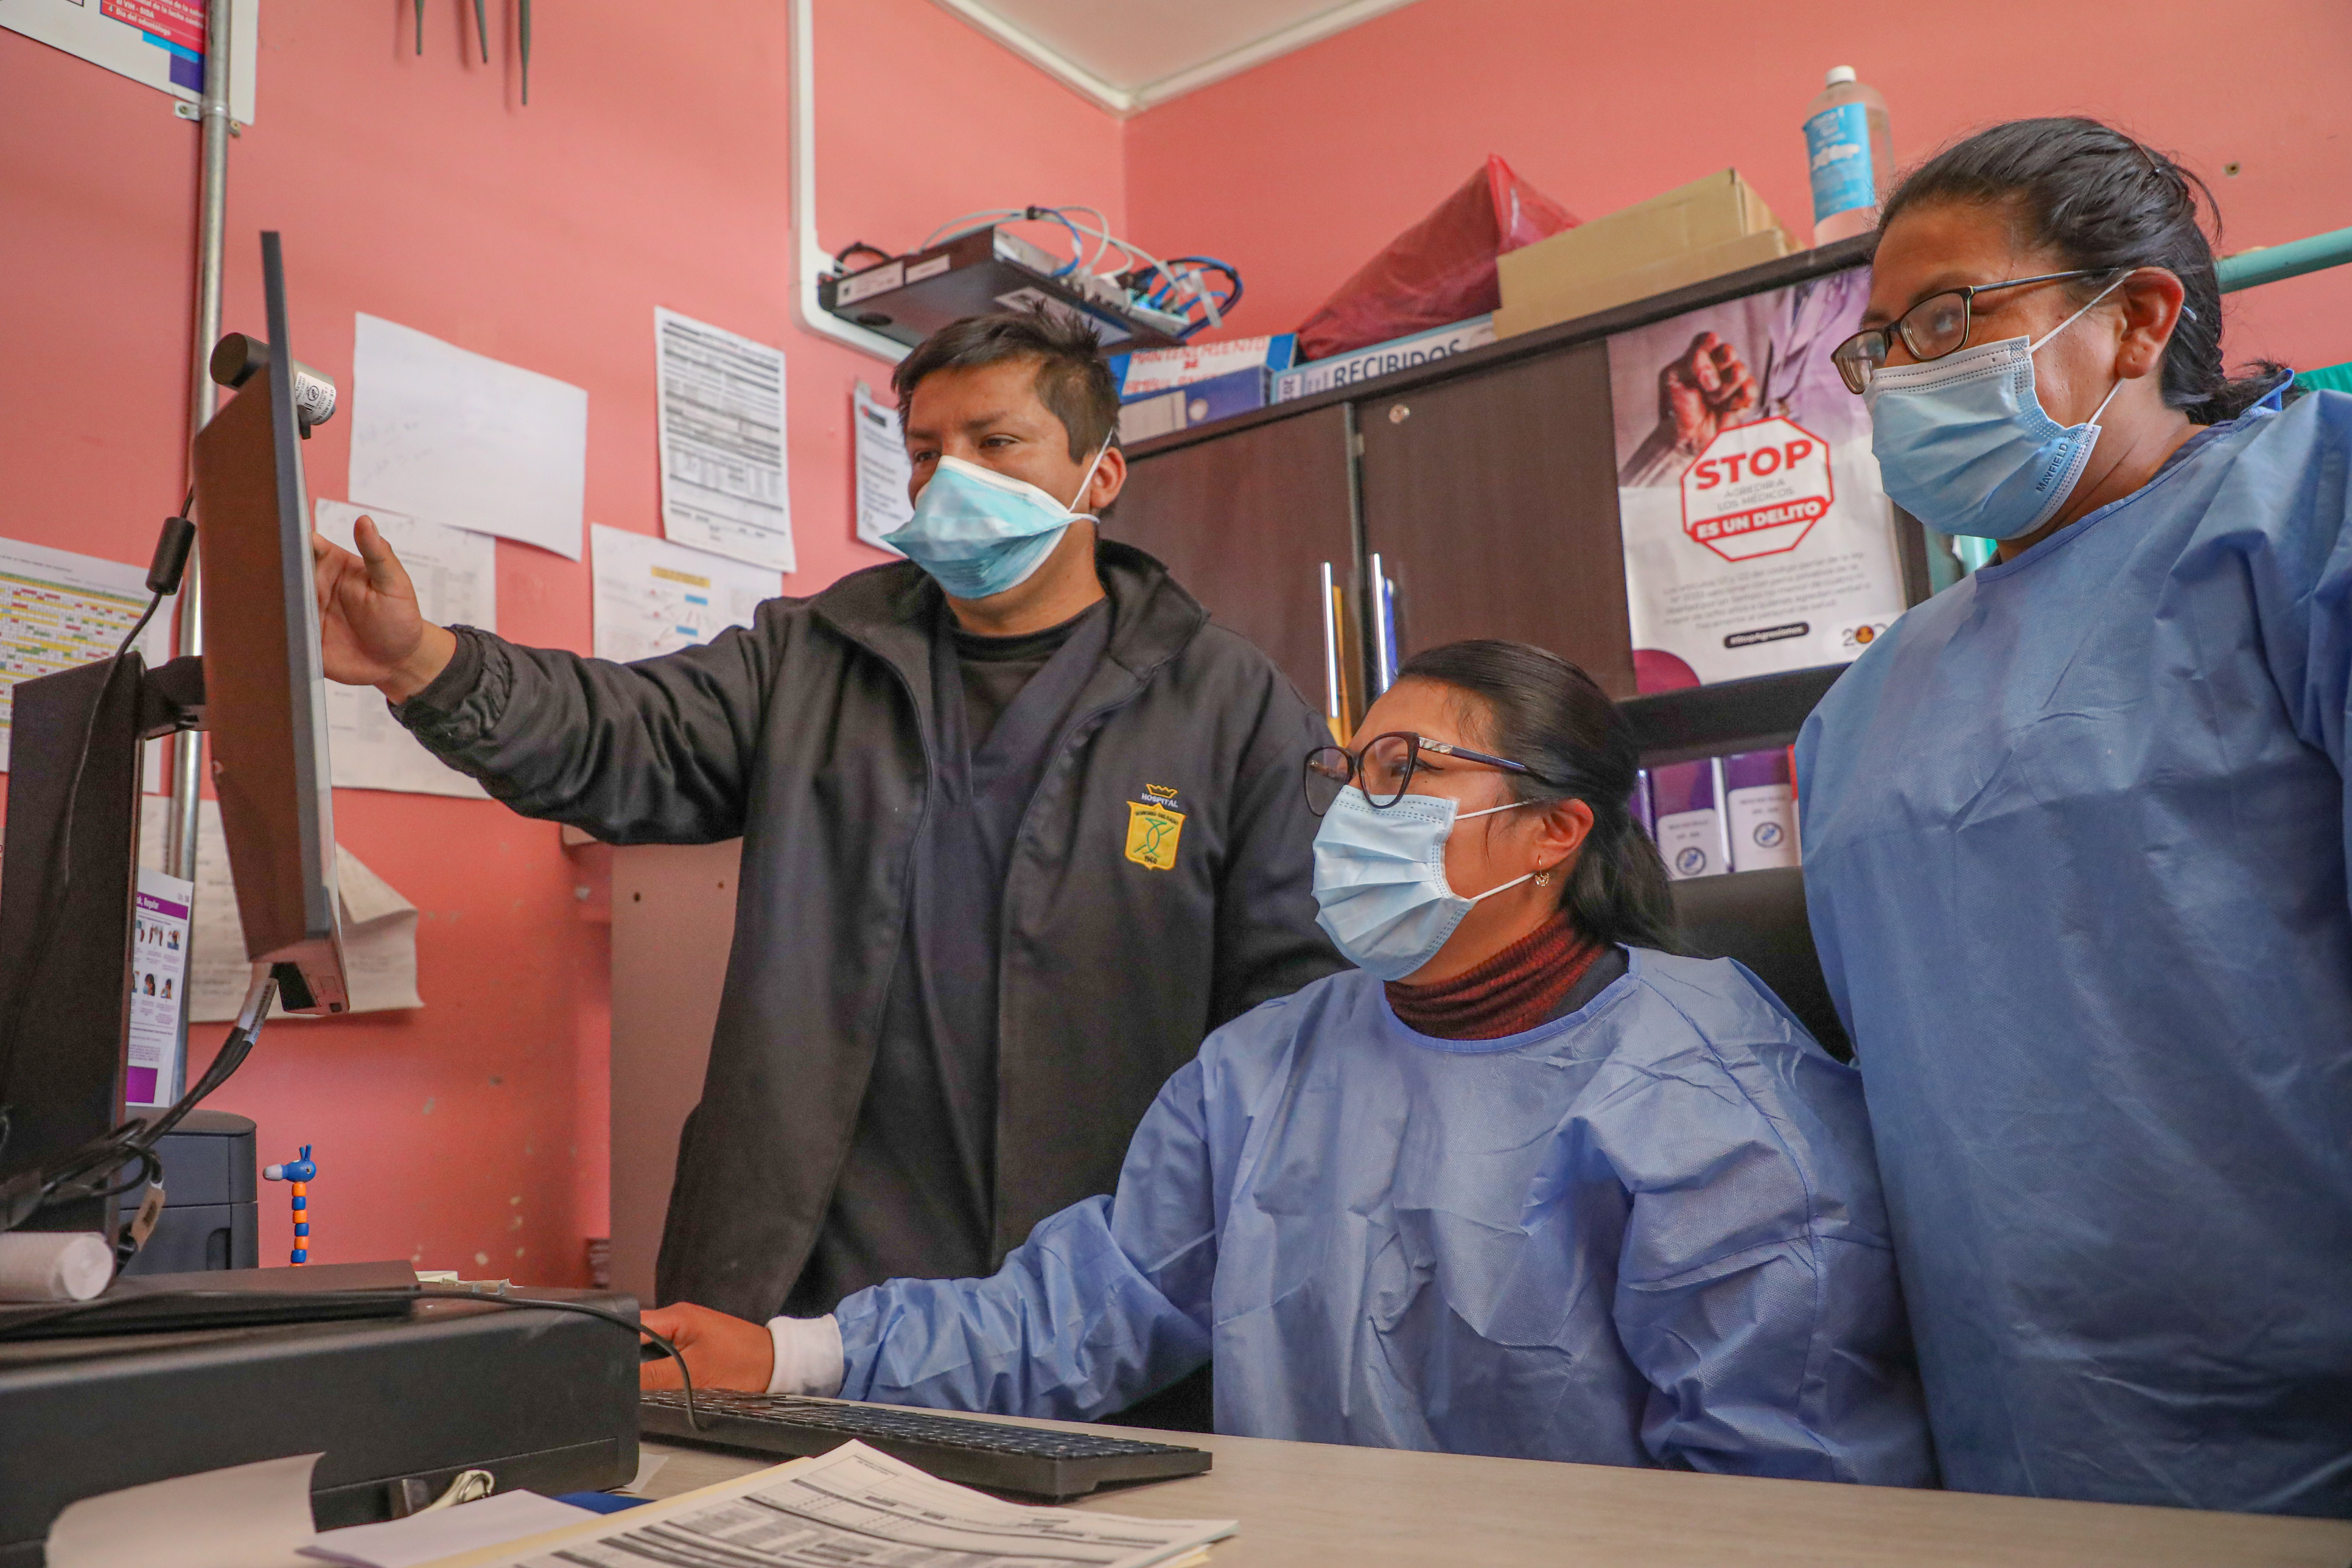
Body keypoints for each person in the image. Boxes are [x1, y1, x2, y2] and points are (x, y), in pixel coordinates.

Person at [645, 640, 1932, 1485]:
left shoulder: (1714, 1092)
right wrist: (796, 1357)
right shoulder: (1266, 1066)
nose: (1352, 809)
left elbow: (1788, 1487)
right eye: (1347, 772)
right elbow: (1084, 1309)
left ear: (1551, 831)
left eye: (1403, 771)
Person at [310, 309, 1342, 1347]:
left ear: (1102, 476)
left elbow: (1295, 1023)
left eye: (997, 443)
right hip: (798, 1289)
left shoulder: (1227, 708)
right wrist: (429, 666)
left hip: (1082, 1301)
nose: (952, 479)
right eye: (928, 452)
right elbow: (625, 732)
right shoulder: (813, 656)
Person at [1798, 118, 2352, 1515]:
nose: (1900, 375)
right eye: (1880, 348)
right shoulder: (1859, 713)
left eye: (1944, 318)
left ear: (2136, 320)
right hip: (2013, 1426)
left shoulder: (2301, 519)